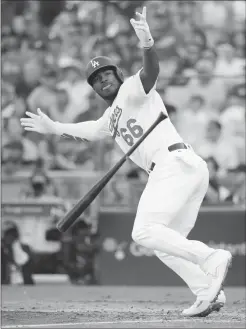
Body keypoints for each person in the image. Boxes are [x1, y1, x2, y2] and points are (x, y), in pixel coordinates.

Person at [21, 7, 232, 317]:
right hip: (184, 167)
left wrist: (146, 41)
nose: (103, 80)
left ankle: (210, 257)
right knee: (164, 244)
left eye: (107, 74)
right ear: (93, 89)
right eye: (96, 79)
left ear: (117, 75)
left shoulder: (133, 89)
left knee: (143, 231)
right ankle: (207, 292)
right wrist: (55, 127)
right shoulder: (111, 117)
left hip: (173, 164)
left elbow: (151, 72)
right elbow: (91, 131)